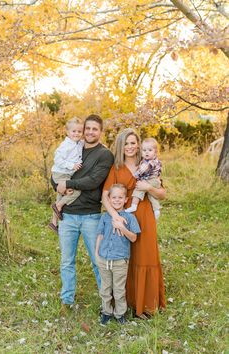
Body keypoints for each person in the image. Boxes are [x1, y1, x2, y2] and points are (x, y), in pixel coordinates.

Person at [51, 114, 114, 309]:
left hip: (90, 216)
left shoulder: (104, 155)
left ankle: (107, 302)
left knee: (98, 261)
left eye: (95, 129)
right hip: (68, 216)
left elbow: (93, 181)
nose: (90, 132)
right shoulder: (74, 147)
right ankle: (66, 300)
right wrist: (56, 185)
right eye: (87, 128)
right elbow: (57, 171)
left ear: (100, 131)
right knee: (67, 261)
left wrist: (67, 183)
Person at [102, 128, 166, 318]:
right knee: (124, 258)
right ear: (121, 146)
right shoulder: (116, 168)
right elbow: (105, 196)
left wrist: (148, 187)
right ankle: (126, 301)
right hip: (123, 217)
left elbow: (162, 193)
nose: (130, 147)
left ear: (138, 144)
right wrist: (115, 216)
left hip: (144, 213)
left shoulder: (148, 162)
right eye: (126, 143)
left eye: (133, 142)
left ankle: (145, 304)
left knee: (145, 255)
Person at [95, 184, 140, 325]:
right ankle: (106, 312)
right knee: (105, 288)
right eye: (113, 197)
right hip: (103, 258)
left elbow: (133, 238)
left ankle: (120, 314)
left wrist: (122, 227)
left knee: (119, 290)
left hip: (120, 260)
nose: (117, 200)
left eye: (120, 197)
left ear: (126, 199)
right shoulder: (105, 217)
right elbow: (100, 235)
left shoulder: (130, 218)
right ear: (109, 199)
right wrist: (97, 253)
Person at [49, 118, 84, 233]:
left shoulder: (78, 143)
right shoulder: (66, 145)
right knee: (75, 192)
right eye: (73, 131)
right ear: (68, 132)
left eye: (79, 131)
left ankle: (53, 223)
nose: (76, 134)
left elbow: (84, 144)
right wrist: (72, 165)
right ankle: (59, 206)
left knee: (60, 196)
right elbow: (57, 160)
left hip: (65, 174)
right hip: (61, 173)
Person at [125, 137, 162, 219]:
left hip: (150, 180)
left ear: (155, 152)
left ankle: (134, 205)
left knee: (139, 188)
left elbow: (141, 171)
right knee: (151, 195)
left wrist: (135, 175)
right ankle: (156, 209)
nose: (147, 152)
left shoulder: (149, 163)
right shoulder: (155, 160)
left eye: (149, 150)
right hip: (155, 180)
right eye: (144, 150)